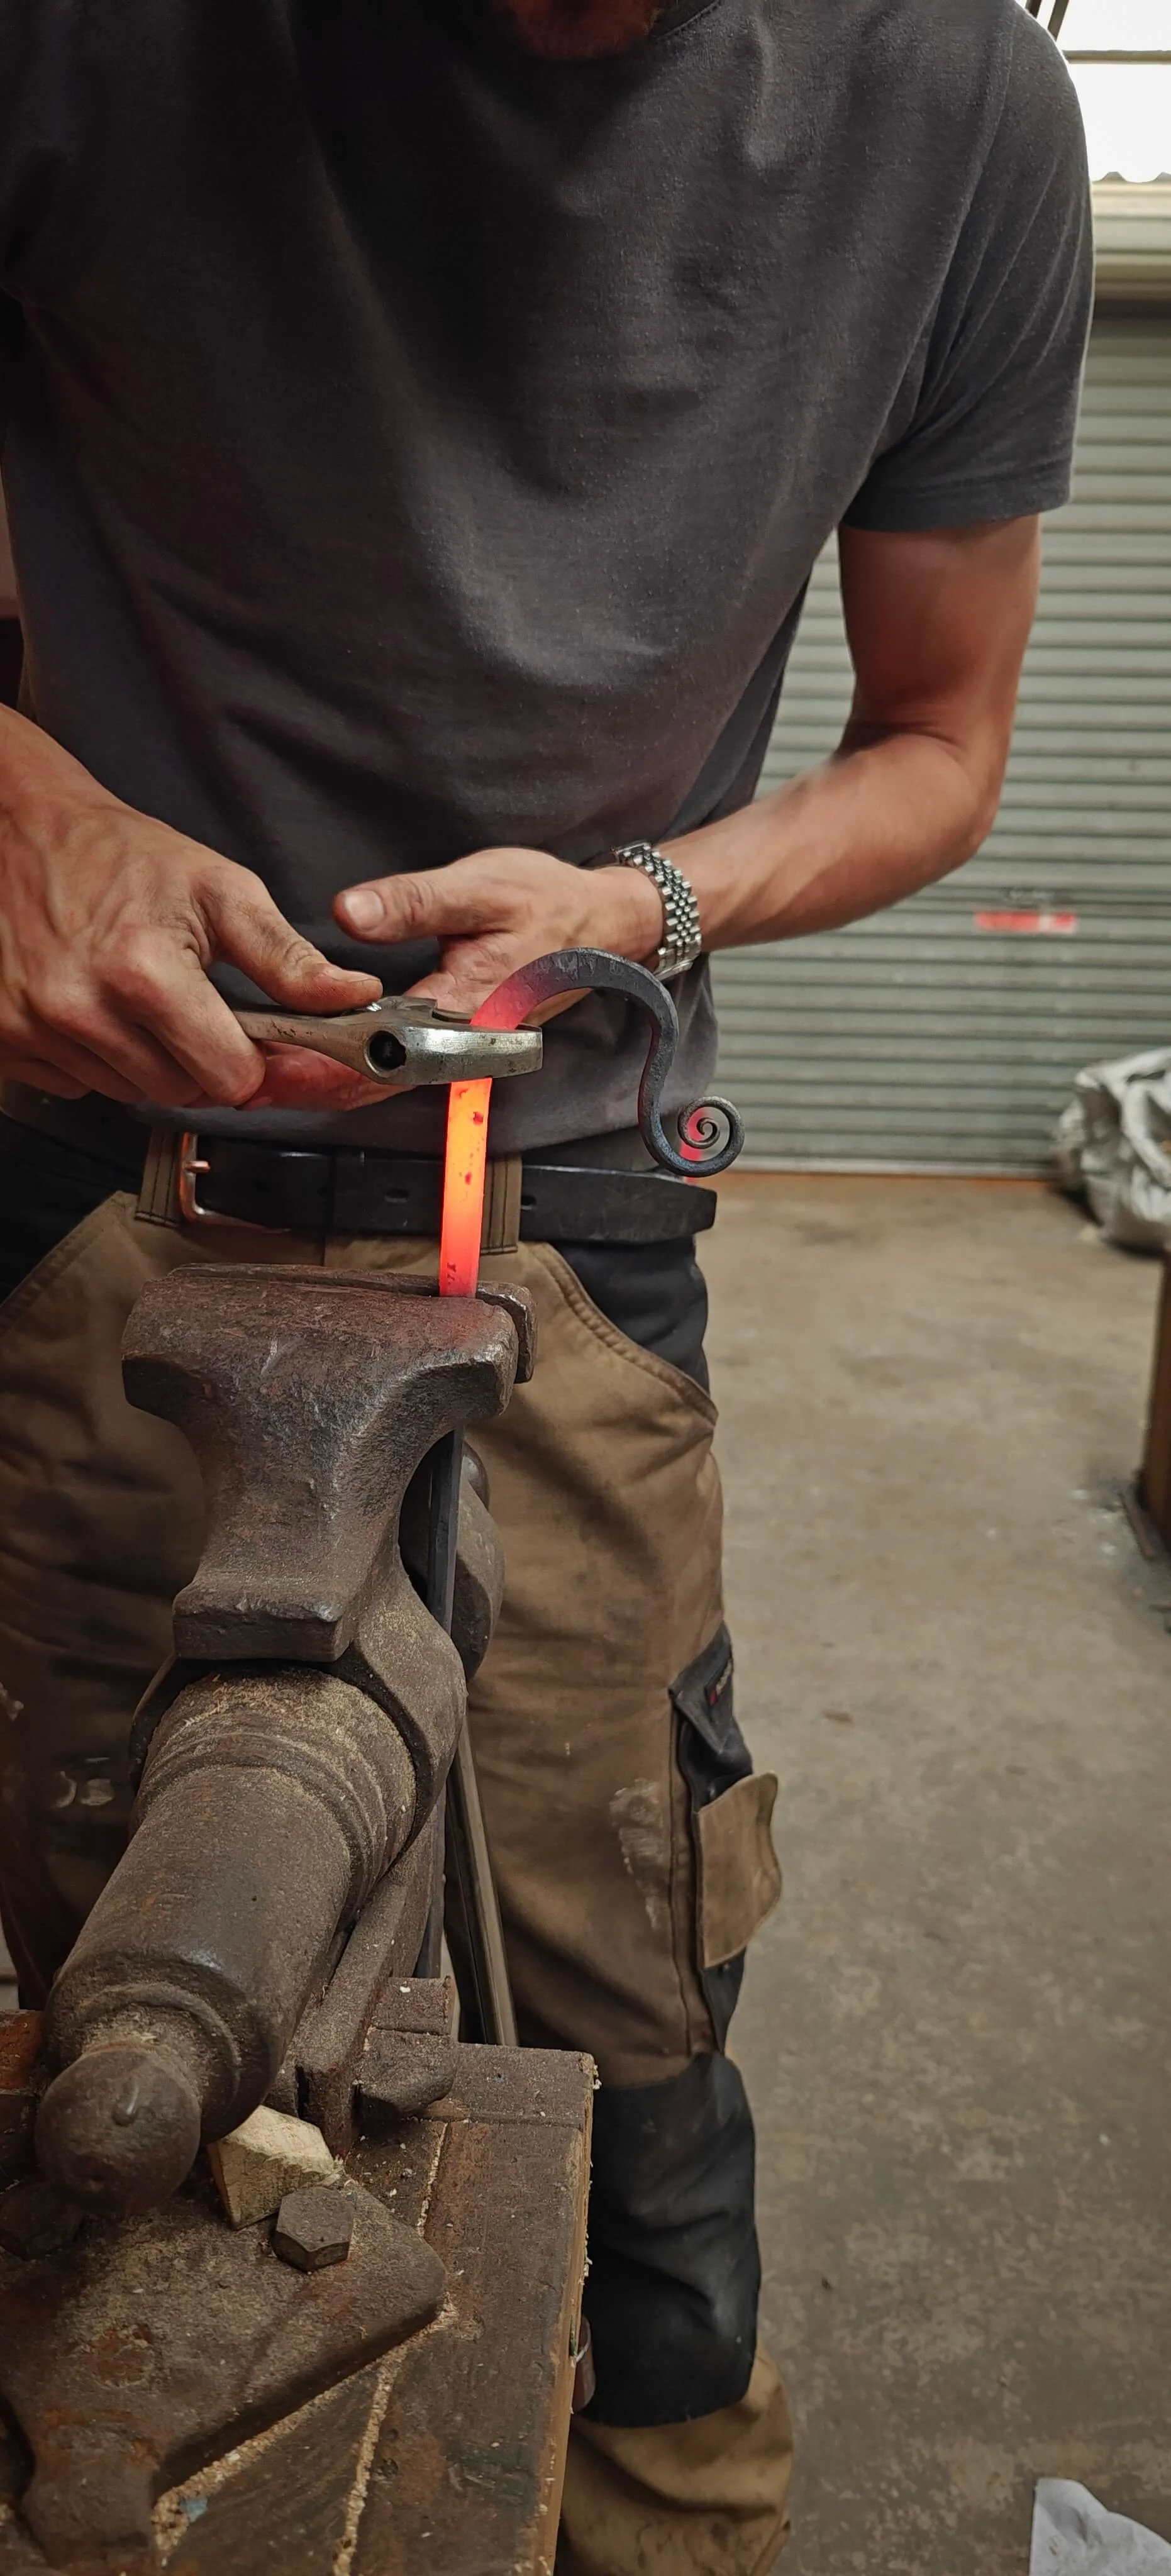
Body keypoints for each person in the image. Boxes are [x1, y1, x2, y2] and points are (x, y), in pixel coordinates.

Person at [0, 1, 1090, 2565]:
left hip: (552, 1189)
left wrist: (656, 903)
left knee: (624, 1956)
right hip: (94, 1166)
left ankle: (670, 2481)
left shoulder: (955, 110)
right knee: (105, 1949)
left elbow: (941, 740)